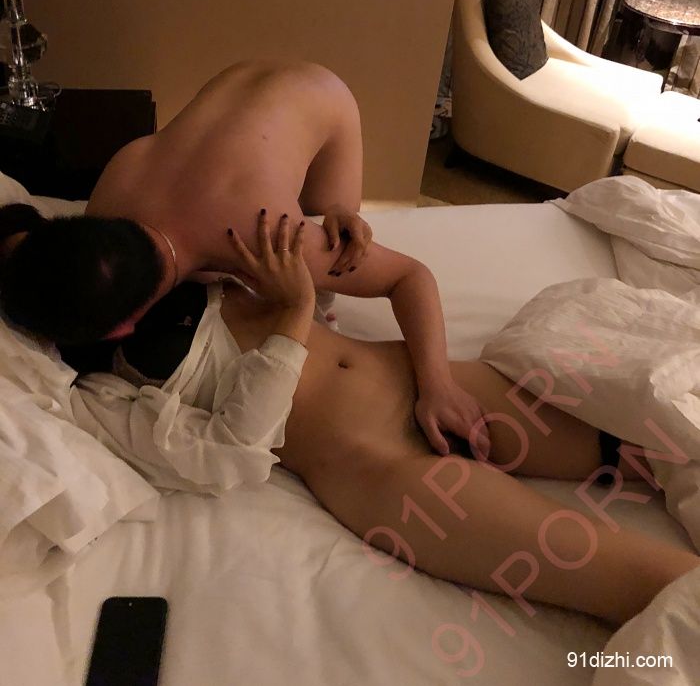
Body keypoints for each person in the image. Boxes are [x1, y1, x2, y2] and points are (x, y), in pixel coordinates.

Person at [70, 213, 699, 627]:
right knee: (645, 585)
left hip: (426, 385)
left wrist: (437, 382)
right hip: (380, 473)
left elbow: (406, 275)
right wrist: (297, 308)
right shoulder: (102, 391)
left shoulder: (220, 248)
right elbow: (228, 454)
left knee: (661, 443)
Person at [0, 60, 487, 458]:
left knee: (338, 244)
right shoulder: (109, 201)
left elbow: (409, 276)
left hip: (322, 96)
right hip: (234, 83)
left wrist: (438, 386)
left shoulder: (265, 233)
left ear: (123, 327)